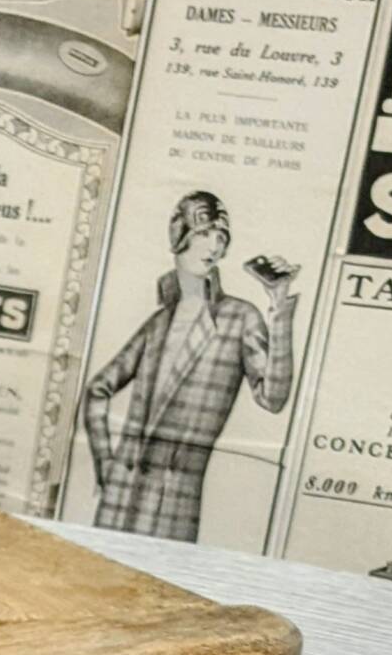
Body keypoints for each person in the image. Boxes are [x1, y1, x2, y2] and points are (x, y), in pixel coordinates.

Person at [83, 190, 297, 540]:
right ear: (179, 235)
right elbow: (97, 389)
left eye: (221, 237)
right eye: (203, 233)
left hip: (173, 503)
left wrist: (279, 305)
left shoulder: (239, 317)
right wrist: (105, 463)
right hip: (119, 497)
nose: (213, 246)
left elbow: (273, 398)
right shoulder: (158, 323)